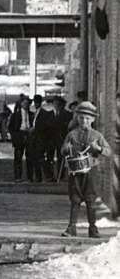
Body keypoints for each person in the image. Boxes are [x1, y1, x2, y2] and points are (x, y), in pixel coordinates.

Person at [60, 101, 113, 238]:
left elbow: (108, 152)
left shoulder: (97, 136)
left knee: (90, 200)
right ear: (77, 119)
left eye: (88, 118)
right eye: (82, 118)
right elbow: (63, 149)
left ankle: (93, 229)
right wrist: (65, 150)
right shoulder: (72, 134)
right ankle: (71, 228)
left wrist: (99, 149)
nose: (84, 121)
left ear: (93, 120)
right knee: (75, 199)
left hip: (91, 172)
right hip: (75, 172)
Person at [30, 94, 56, 182]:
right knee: (37, 157)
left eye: (37, 102)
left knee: (40, 157)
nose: (36, 104)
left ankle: (46, 174)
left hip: (41, 138)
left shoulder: (44, 113)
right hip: (36, 138)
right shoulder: (36, 112)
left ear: (40, 103)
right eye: (35, 102)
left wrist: (34, 129)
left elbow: (44, 126)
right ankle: (39, 176)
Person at [8, 96, 32, 183]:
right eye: (24, 103)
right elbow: (10, 127)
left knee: (30, 157)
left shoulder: (31, 114)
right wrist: (15, 135)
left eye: (27, 104)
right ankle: (17, 177)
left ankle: (30, 176)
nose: (26, 105)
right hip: (19, 135)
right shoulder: (16, 115)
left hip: (28, 134)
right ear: (21, 104)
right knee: (18, 157)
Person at [52, 96, 74, 181]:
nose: (57, 106)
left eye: (59, 104)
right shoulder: (51, 114)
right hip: (53, 140)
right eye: (55, 104)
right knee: (54, 157)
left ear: (62, 105)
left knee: (64, 158)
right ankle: (55, 176)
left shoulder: (68, 115)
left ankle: (62, 175)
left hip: (64, 139)